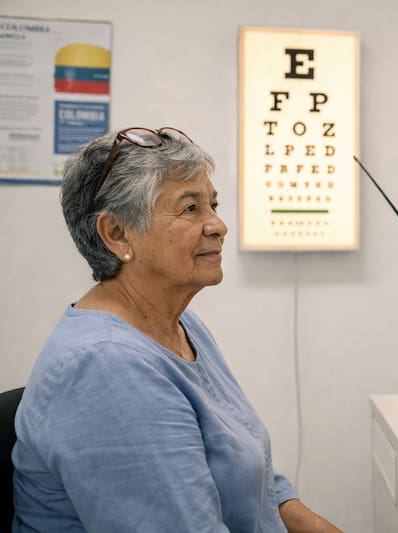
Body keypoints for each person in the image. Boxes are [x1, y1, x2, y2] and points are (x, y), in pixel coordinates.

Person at [12, 127, 343, 533]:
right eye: (190, 209)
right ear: (117, 234)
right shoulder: (106, 365)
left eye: (213, 204)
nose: (218, 225)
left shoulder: (180, 324)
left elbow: (259, 482)